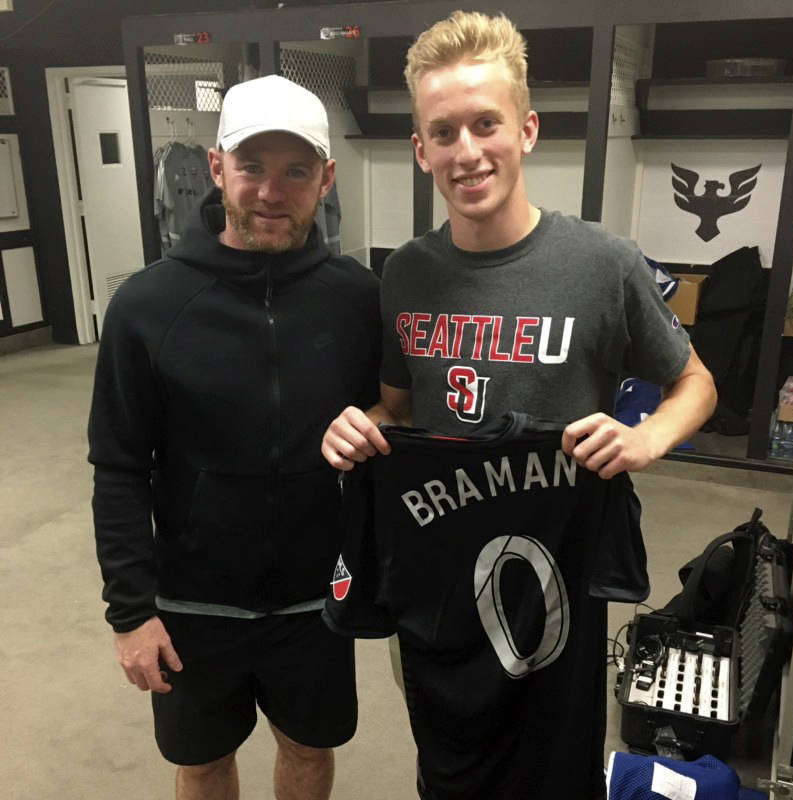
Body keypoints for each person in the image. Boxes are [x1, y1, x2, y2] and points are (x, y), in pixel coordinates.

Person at [321, 10, 717, 800]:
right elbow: (398, 408)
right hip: (438, 579)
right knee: (450, 763)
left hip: (556, 584)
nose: (466, 152)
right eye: (444, 132)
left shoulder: (602, 264)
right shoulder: (406, 274)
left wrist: (646, 440)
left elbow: (696, 382)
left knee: (555, 771)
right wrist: (361, 427)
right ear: (421, 150)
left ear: (527, 129)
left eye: (485, 124)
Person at [88, 74, 380, 800]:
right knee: (204, 763)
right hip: (194, 603)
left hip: (317, 602)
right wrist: (131, 614)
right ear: (217, 168)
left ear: (326, 178)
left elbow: (392, 424)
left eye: (295, 171)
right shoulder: (148, 306)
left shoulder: (358, 300)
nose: (271, 193)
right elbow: (119, 467)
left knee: (309, 751)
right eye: (251, 167)